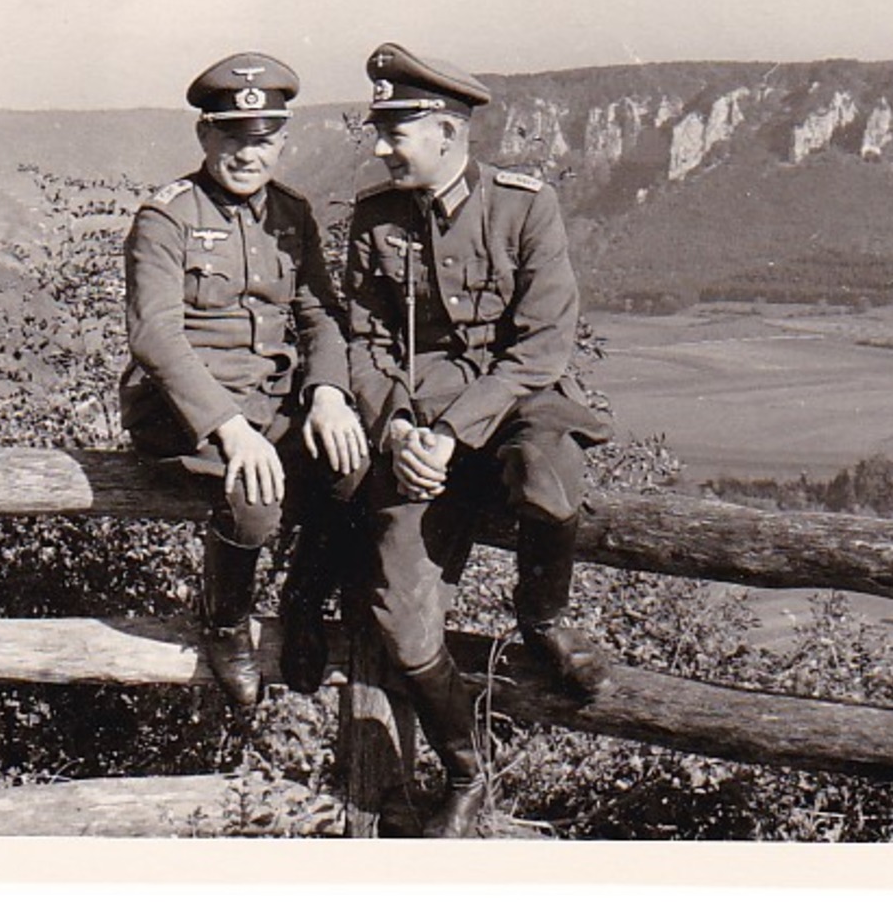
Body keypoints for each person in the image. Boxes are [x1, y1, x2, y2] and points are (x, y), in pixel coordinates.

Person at [343, 42, 615, 837]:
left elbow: (540, 348)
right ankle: (466, 770)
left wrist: (450, 435)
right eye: (380, 129)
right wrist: (394, 426)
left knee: (545, 466)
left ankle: (544, 617)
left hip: (511, 406)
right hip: (412, 423)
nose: (381, 146)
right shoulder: (375, 218)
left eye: (396, 131)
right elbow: (365, 342)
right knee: (398, 617)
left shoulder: (525, 205)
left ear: (448, 133)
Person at [119, 51, 367, 709]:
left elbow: (319, 315)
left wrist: (328, 394)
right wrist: (231, 429)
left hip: (271, 399)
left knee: (352, 467)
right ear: (205, 136)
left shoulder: (292, 213)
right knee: (255, 499)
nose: (247, 154)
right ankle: (225, 624)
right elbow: (155, 337)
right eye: (231, 135)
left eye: (262, 140)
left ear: (283, 141)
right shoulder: (167, 216)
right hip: (188, 410)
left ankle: (304, 603)